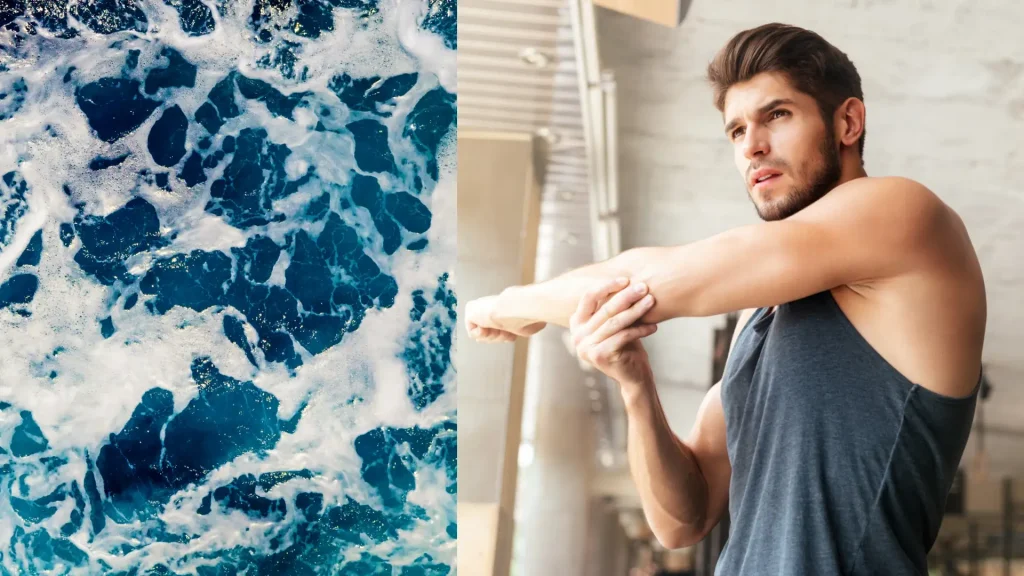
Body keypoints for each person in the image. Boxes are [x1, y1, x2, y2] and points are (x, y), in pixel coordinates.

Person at [464, 22, 987, 576]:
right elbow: (681, 521)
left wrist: (504, 304)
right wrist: (635, 384)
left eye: (777, 115)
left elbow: (636, 281)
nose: (752, 145)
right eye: (736, 130)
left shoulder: (903, 214)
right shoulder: (760, 317)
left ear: (848, 122)